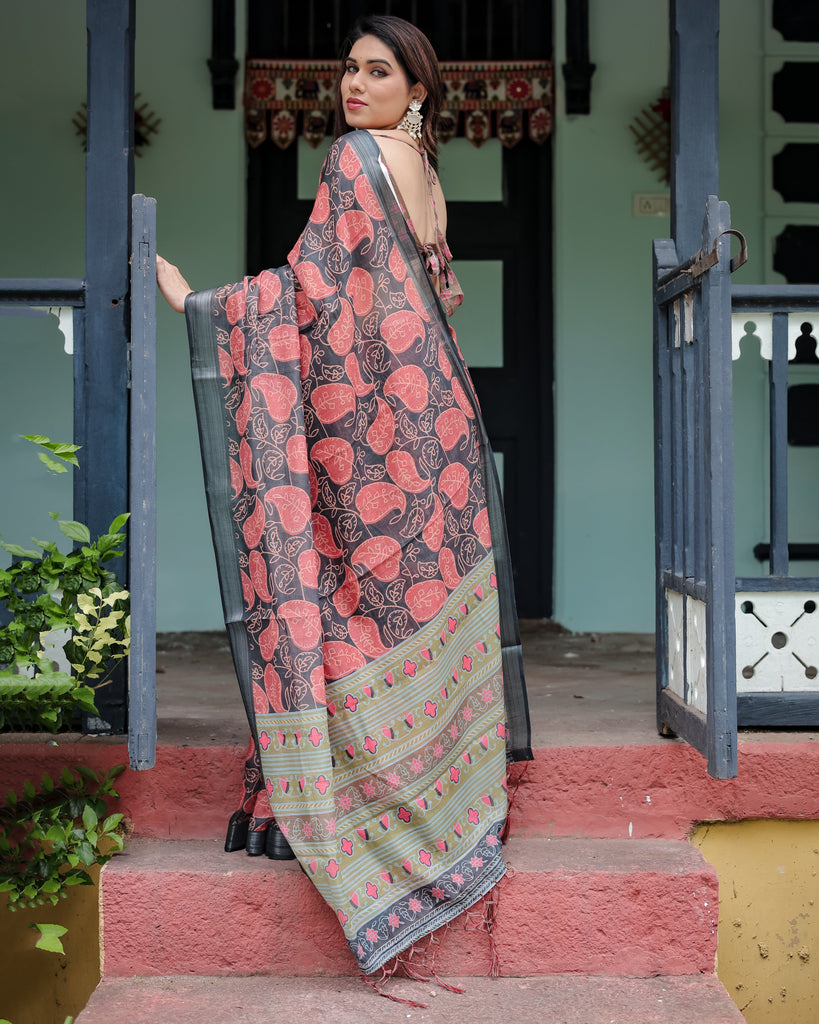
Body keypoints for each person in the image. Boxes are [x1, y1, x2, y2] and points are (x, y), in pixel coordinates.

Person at [157, 14, 531, 979]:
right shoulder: (425, 171)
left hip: (382, 434)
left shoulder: (357, 158)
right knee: (410, 597)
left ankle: (347, 805)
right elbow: (429, 302)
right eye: (347, 70)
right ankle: (447, 802)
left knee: (343, 592)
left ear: (418, 87)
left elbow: (309, 289)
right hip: (436, 422)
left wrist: (198, 304)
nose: (353, 86)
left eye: (377, 71)